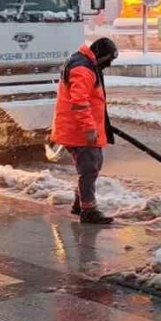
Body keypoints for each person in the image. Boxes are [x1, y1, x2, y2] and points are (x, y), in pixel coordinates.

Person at [51, 37, 118, 224]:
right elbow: (79, 102)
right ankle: (88, 211)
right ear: (100, 56)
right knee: (89, 169)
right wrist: (89, 129)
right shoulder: (83, 69)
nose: (109, 65)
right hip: (79, 130)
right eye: (109, 60)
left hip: (77, 128)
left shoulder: (84, 62)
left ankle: (80, 203)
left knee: (92, 166)